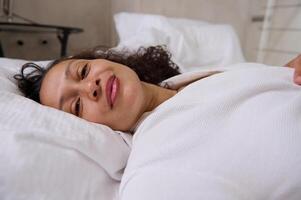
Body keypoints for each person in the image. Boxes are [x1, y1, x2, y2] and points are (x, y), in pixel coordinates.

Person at [14, 45, 301, 132]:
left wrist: (291, 65)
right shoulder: (156, 153)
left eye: (84, 71)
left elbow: (267, 82)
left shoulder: (185, 83)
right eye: (76, 106)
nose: (92, 86)